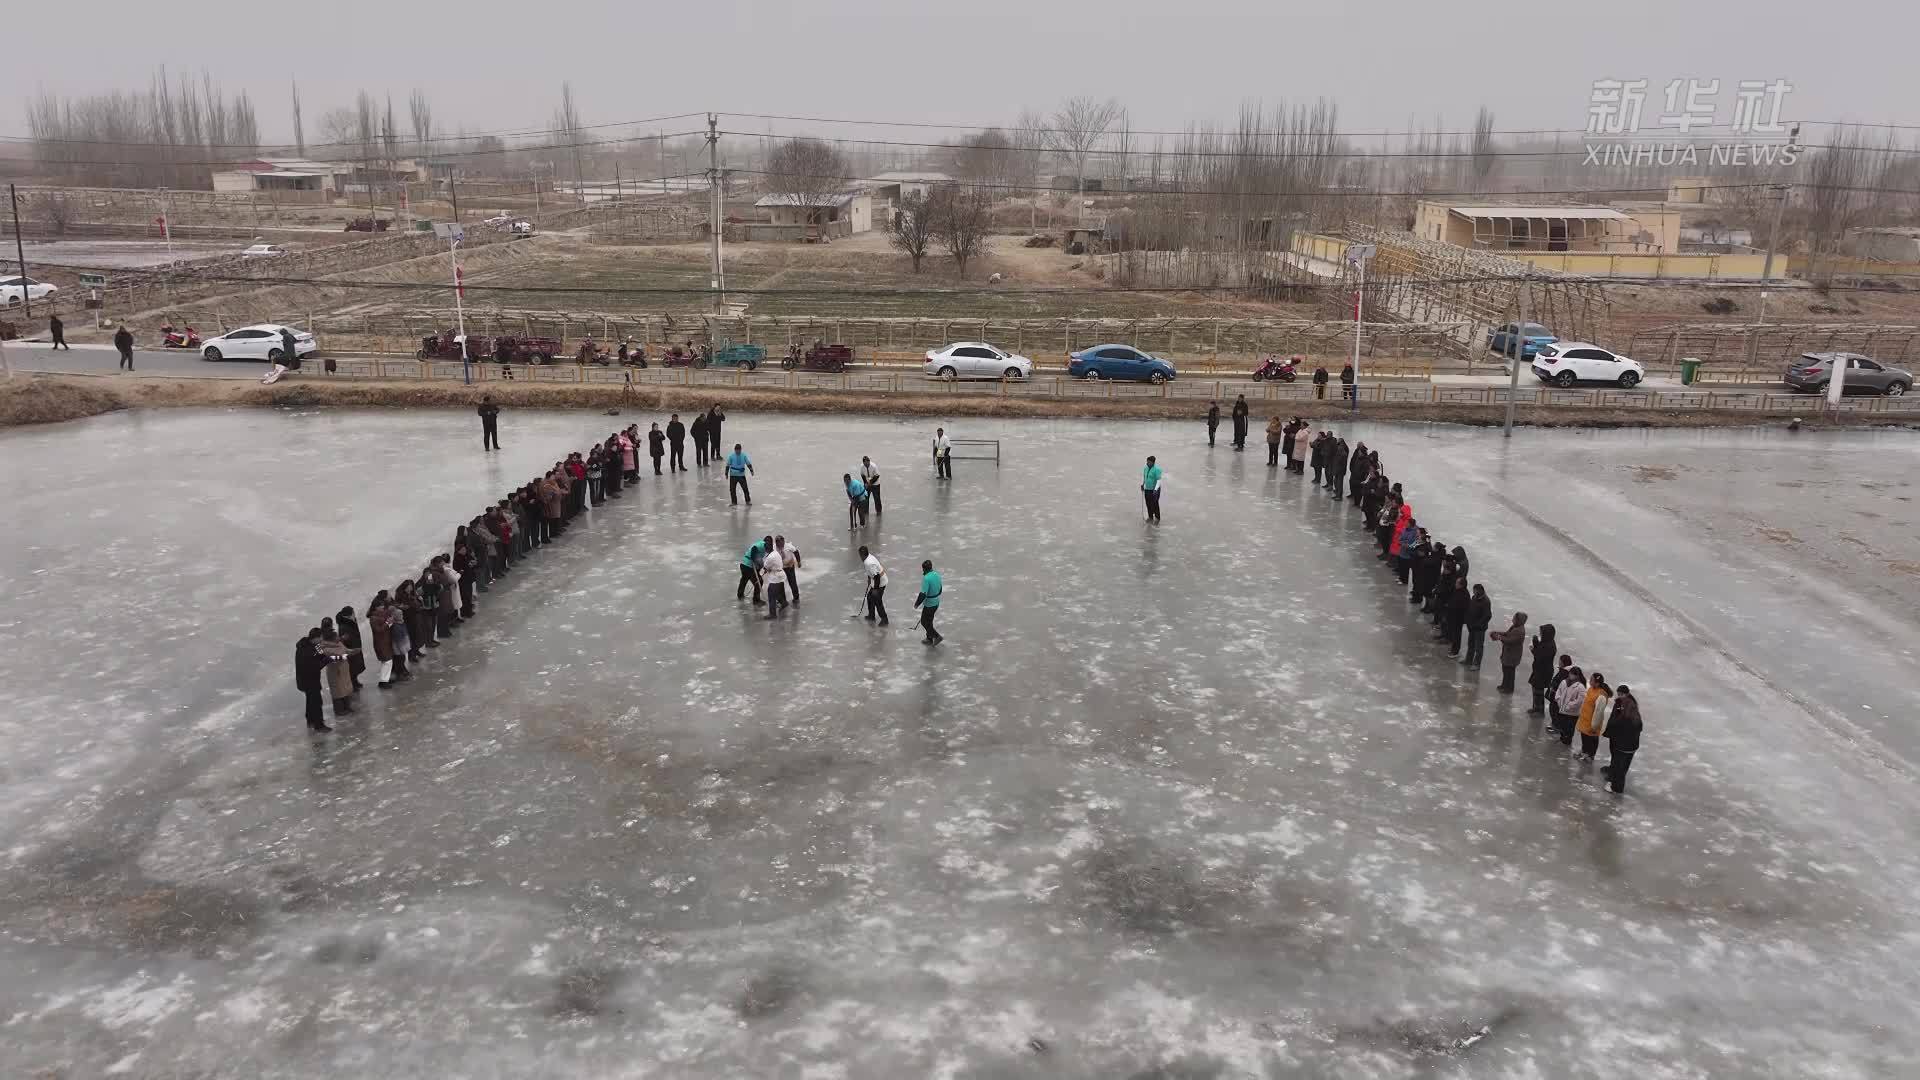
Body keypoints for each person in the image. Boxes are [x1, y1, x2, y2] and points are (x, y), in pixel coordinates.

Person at [1605, 686, 1642, 793]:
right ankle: (1613, 777)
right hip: (1630, 746)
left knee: (1619, 766)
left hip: (1622, 746)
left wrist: (1614, 735)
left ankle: (1616, 787)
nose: (1620, 697)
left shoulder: (1625, 718)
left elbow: (1616, 724)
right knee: (1622, 765)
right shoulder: (1634, 716)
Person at [316, 621, 356, 718]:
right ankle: (339, 709)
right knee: (338, 691)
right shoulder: (325, 648)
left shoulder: (338, 643)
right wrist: (346, 655)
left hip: (344, 670)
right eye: (337, 636)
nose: (339, 637)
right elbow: (336, 656)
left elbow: (346, 650)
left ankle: (347, 706)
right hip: (335, 672)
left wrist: (352, 651)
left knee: (345, 688)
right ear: (332, 639)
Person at [295, 629, 331, 732]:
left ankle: (310, 720)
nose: (321, 640)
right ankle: (319, 725)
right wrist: (326, 661)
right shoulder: (306, 651)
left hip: (308, 679)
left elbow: (321, 654)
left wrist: (325, 657)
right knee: (316, 701)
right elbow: (315, 666)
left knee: (310, 700)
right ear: (315, 638)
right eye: (320, 638)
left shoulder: (313, 646)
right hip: (308, 680)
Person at [1488, 610, 1529, 692]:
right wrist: (1498, 633)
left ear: (1519, 620)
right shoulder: (1515, 627)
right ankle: (1504, 685)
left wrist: (1498, 637)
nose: (1512, 620)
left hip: (1512, 656)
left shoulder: (1519, 631)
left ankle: (1509, 688)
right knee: (1505, 670)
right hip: (1508, 654)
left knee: (1509, 673)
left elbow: (1509, 641)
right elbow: (1507, 634)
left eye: (1514, 618)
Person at [1576, 673, 1614, 760]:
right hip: (1585, 719)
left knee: (1591, 739)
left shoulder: (1601, 696)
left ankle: (1590, 755)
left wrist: (1594, 726)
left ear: (1597, 683)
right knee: (1584, 737)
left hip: (1592, 722)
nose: (1590, 681)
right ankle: (1584, 751)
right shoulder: (1591, 689)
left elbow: (1598, 712)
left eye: (1592, 680)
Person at [1527, 624, 1559, 716]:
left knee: (1538, 691)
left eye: (1541, 632)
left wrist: (1532, 650)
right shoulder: (1546, 642)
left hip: (1543, 672)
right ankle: (1536, 708)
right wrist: (1535, 642)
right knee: (1535, 689)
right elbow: (1539, 650)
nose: (1540, 634)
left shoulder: (1549, 646)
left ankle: (1539, 711)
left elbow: (1539, 656)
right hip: (1539, 670)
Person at [1553, 666, 1587, 746]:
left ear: (1577, 675)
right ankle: (1562, 738)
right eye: (1570, 673)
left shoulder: (1580, 687)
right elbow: (1559, 691)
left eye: (1573, 674)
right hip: (1562, 710)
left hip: (1572, 713)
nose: (1571, 675)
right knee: (1562, 726)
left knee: (1569, 729)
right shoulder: (1564, 682)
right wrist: (1558, 700)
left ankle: (1567, 741)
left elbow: (1579, 701)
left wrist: (1568, 705)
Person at [335, 605, 366, 691]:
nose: (354, 614)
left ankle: (355, 681)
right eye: (353, 613)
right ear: (349, 615)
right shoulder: (344, 625)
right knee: (352, 668)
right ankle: (352, 684)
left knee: (356, 667)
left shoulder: (350, 621)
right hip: (351, 649)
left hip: (355, 647)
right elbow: (344, 639)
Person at [1462, 584, 1494, 670]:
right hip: (1472, 626)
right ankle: (1468, 660)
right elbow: (1470, 609)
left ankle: (1476, 664)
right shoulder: (1474, 597)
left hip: (1479, 628)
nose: (1473, 592)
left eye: (1475, 590)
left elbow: (1487, 615)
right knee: (1471, 644)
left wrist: (1478, 624)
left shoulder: (1486, 601)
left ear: (1479, 590)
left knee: (1478, 647)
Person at [914, 559, 944, 645]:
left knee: (924, 621)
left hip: (929, 604)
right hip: (936, 603)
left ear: (924, 569)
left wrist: (917, 604)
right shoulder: (936, 574)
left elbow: (923, 594)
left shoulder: (926, 578)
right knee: (929, 621)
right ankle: (929, 638)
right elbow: (940, 589)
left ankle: (937, 636)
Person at [738, 535, 772, 604]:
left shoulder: (764, 546)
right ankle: (756, 600)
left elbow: (760, 559)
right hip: (748, 566)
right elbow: (754, 550)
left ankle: (740, 595)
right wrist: (753, 558)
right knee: (759, 581)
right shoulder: (760, 545)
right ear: (765, 542)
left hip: (744, 564)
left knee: (744, 579)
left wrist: (762, 567)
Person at [861, 545, 889, 625]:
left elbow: (877, 577)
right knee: (870, 597)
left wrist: (876, 590)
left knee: (877, 601)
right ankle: (871, 615)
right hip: (877, 581)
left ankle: (884, 620)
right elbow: (871, 572)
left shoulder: (869, 563)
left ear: (862, 555)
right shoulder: (868, 557)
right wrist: (869, 579)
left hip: (880, 583)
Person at [762, 537, 789, 618]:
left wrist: (763, 571)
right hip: (781, 576)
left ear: (766, 549)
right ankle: (784, 603)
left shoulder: (770, 557)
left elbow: (765, 568)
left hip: (775, 577)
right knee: (778, 592)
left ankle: (772, 614)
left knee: (771, 594)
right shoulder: (776, 553)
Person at [1141, 455, 1164, 523]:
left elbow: (1159, 480)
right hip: (1147, 489)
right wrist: (1143, 484)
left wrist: (1155, 489)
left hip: (1154, 490)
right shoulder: (1145, 468)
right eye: (1147, 461)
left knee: (1155, 504)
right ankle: (1150, 517)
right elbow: (1145, 477)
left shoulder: (1157, 469)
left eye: (1149, 462)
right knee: (1148, 503)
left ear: (1153, 462)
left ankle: (1157, 518)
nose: (1147, 463)